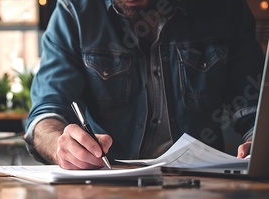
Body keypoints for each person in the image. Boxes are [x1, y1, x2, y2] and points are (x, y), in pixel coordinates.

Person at [24, 0, 265, 170]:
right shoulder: (74, 11)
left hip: (205, 184)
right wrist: (60, 145)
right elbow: (47, 111)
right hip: (108, 185)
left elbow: (250, 99)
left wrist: (260, 140)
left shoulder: (224, 8)